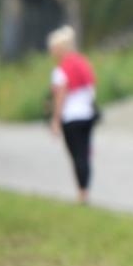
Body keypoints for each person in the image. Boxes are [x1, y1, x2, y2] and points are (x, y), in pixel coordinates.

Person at [47, 26, 97, 204]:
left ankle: (81, 192)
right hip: (87, 114)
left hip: (71, 116)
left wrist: (55, 120)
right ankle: (85, 189)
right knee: (84, 153)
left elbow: (60, 96)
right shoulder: (83, 63)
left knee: (76, 155)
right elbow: (91, 89)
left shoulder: (61, 70)